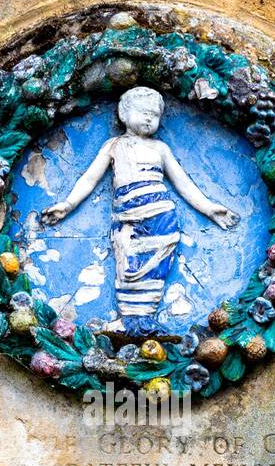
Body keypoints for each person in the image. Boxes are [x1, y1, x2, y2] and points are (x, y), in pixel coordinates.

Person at [40, 85, 239, 332]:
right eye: (143, 112)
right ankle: (128, 321)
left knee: (155, 268)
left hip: (160, 217)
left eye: (154, 115)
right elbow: (90, 178)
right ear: (123, 114)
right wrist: (67, 205)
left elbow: (183, 183)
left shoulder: (160, 149)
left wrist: (209, 209)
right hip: (127, 219)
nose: (148, 118)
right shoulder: (114, 146)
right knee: (127, 266)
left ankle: (145, 320)